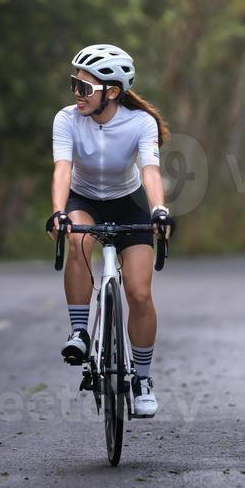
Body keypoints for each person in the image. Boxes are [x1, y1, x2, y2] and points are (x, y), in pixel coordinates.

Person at [46, 44, 173, 418]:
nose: (76, 94)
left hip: (128, 202)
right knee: (78, 238)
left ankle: (143, 379)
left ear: (112, 92)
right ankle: (80, 332)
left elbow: (150, 170)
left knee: (138, 292)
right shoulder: (67, 119)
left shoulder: (140, 123)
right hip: (83, 199)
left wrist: (159, 210)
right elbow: (62, 169)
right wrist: (58, 211)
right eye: (74, 84)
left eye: (85, 88)